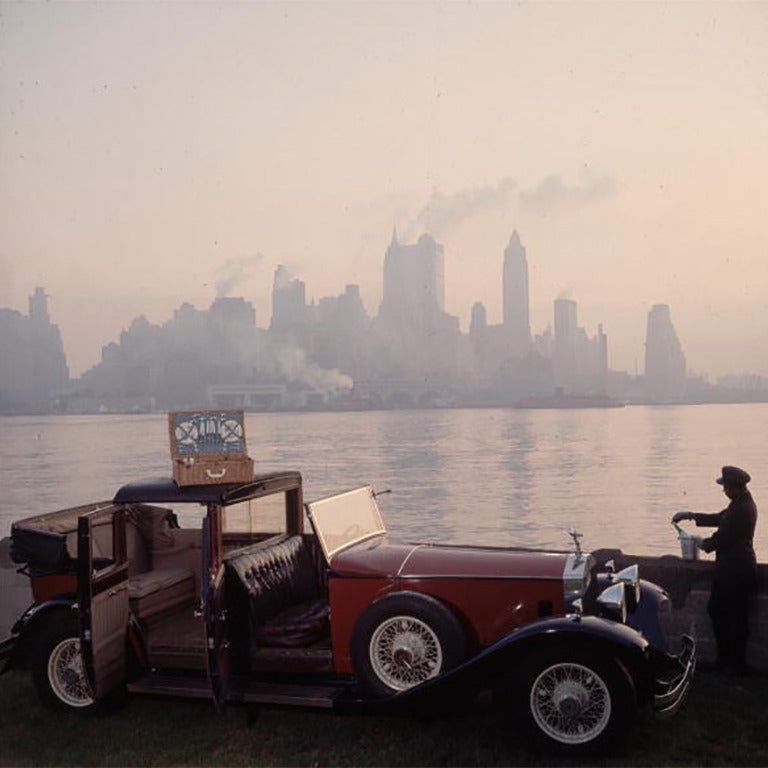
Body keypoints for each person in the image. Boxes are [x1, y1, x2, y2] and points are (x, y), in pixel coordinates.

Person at [672, 465, 758, 674]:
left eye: (726, 487)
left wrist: (704, 544)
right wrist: (692, 515)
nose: (724, 491)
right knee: (722, 612)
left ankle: (733, 664)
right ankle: (727, 661)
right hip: (730, 570)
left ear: (735, 487)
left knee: (733, 616)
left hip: (736, 571)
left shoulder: (741, 509)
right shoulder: (739, 503)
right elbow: (719, 518)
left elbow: (725, 537)